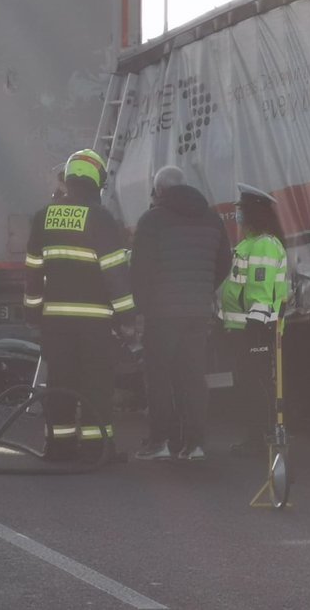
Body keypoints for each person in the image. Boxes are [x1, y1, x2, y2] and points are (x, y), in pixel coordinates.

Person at [23, 149, 137, 462]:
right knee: (95, 384)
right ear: (97, 182)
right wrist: (127, 317)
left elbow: (33, 271)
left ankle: (59, 447)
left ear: (69, 179)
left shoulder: (44, 216)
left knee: (60, 381)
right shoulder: (100, 219)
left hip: (55, 322)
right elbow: (115, 272)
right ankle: (95, 448)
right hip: (94, 323)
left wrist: (33, 314)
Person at [129, 165, 232, 461]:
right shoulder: (212, 220)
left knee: (159, 377)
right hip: (199, 311)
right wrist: (203, 287)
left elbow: (140, 270)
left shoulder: (153, 221)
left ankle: (161, 441)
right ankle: (195, 444)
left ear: (159, 191)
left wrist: (141, 308)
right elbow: (223, 261)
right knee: (193, 377)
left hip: (162, 313)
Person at [220, 183, 288, 457]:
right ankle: (254, 434)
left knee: (258, 383)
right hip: (241, 326)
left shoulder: (264, 245)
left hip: (256, 327)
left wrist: (256, 323)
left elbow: (261, 287)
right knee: (247, 383)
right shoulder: (248, 244)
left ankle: (263, 436)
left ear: (253, 214)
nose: (238, 216)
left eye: (241, 210)